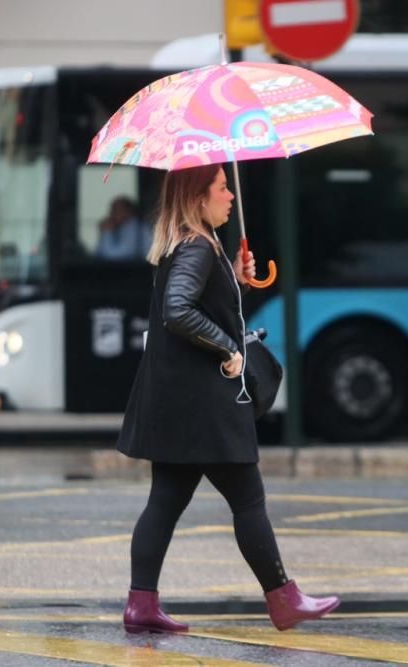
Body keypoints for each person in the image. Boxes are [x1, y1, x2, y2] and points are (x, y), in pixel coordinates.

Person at [116, 163, 340, 634]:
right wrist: (228, 347)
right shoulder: (198, 247)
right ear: (199, 197)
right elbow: (179, 311)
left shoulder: (188, 243)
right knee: (248, 499)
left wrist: (234, 278)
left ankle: (141, 604)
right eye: (222, 188)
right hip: (205, 404)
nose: (230, 197)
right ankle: (284, 598)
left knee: (165, 500)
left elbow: (192, 302)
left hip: (175, 401)